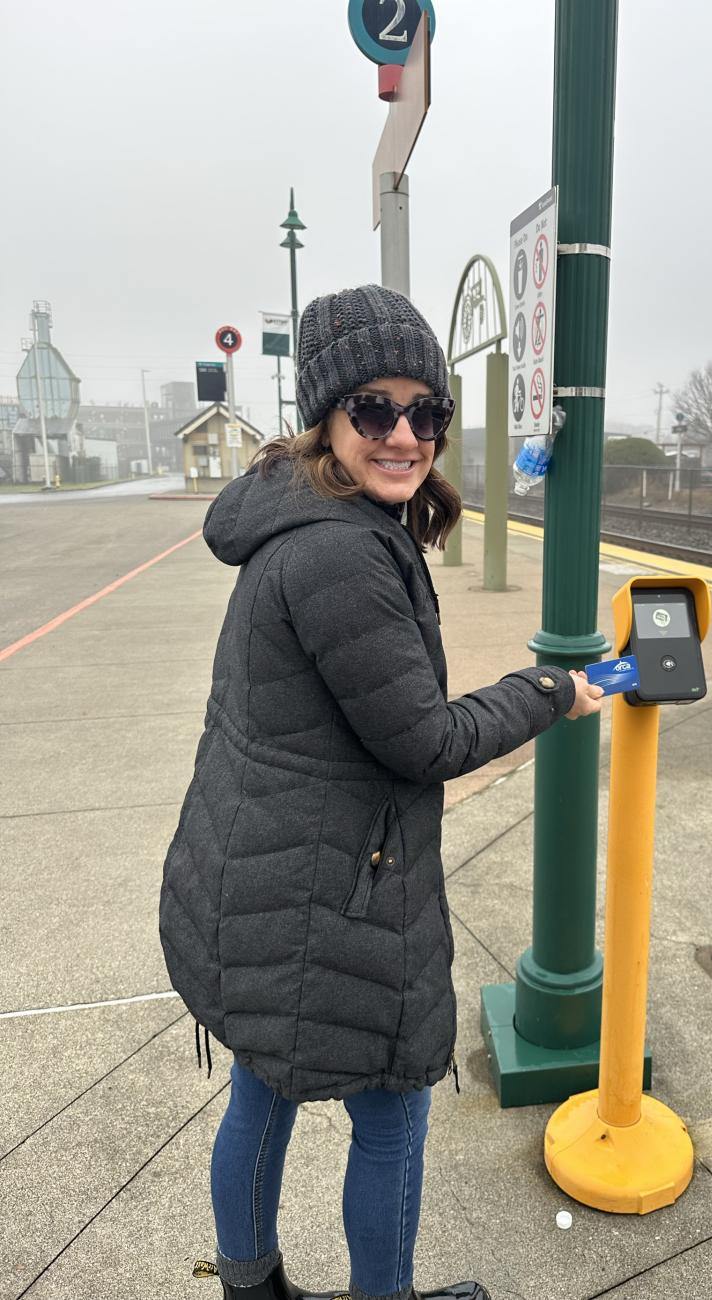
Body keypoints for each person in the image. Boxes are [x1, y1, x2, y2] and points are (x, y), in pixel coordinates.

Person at [160, 285, 604, 1300]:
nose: (405, 434)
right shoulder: (339, 553)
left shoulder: (301, 512)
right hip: (323, 894)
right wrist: (550, 689)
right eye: (374, 410)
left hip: (256, 869)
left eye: (426, 411)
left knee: (263, 1088)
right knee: (396, 1115)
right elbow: (424, 739)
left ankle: (248, 1282)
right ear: (326, 416)